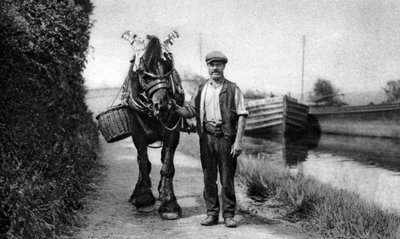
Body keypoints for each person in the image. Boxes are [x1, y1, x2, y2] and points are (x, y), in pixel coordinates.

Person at [173, 51, 248, 228]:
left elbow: (242, 116)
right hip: (206, 138)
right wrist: (174, 107)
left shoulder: (233, 89)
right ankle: (212, 214)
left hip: (225, 138)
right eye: (211, 65)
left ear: (223, 67)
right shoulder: (201, 88)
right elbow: (190, 111)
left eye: (218, 64)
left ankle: (229, 215)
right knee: (209, 179)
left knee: (227, 179)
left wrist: (238, 142)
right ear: (207, 67)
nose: (215, 68)